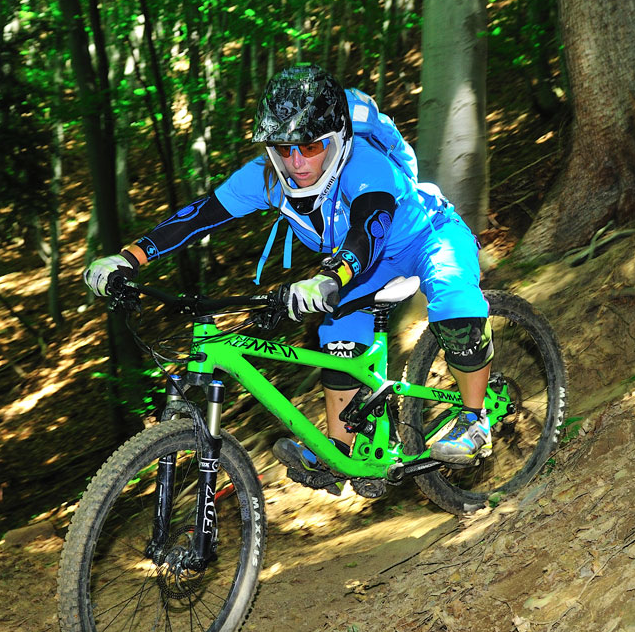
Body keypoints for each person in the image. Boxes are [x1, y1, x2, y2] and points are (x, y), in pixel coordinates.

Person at [83, 64, 493, 490]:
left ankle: (474, 420)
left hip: (427, 236)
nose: (295, 162)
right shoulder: (265, 176)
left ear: (337, 140)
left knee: (453, 300)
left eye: (311, 147)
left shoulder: (364, 165)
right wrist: (129, 258)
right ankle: (340, 449)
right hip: (363, 266)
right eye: (282, 147)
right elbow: (200, 215)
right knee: (337, 341)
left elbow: (369, 226)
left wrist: (331, 278)